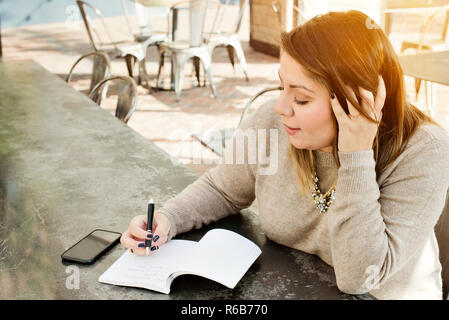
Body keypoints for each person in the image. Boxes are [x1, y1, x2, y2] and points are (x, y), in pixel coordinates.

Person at [120, 10, 449, 299]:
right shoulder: (272, 122)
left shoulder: (425, 150)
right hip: (298, 285)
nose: (280, 107)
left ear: (355, 100)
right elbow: (222, 188)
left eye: (302, 99)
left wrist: (356, 155)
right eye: (282, 86)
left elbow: (359, 277)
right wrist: (167, 220)